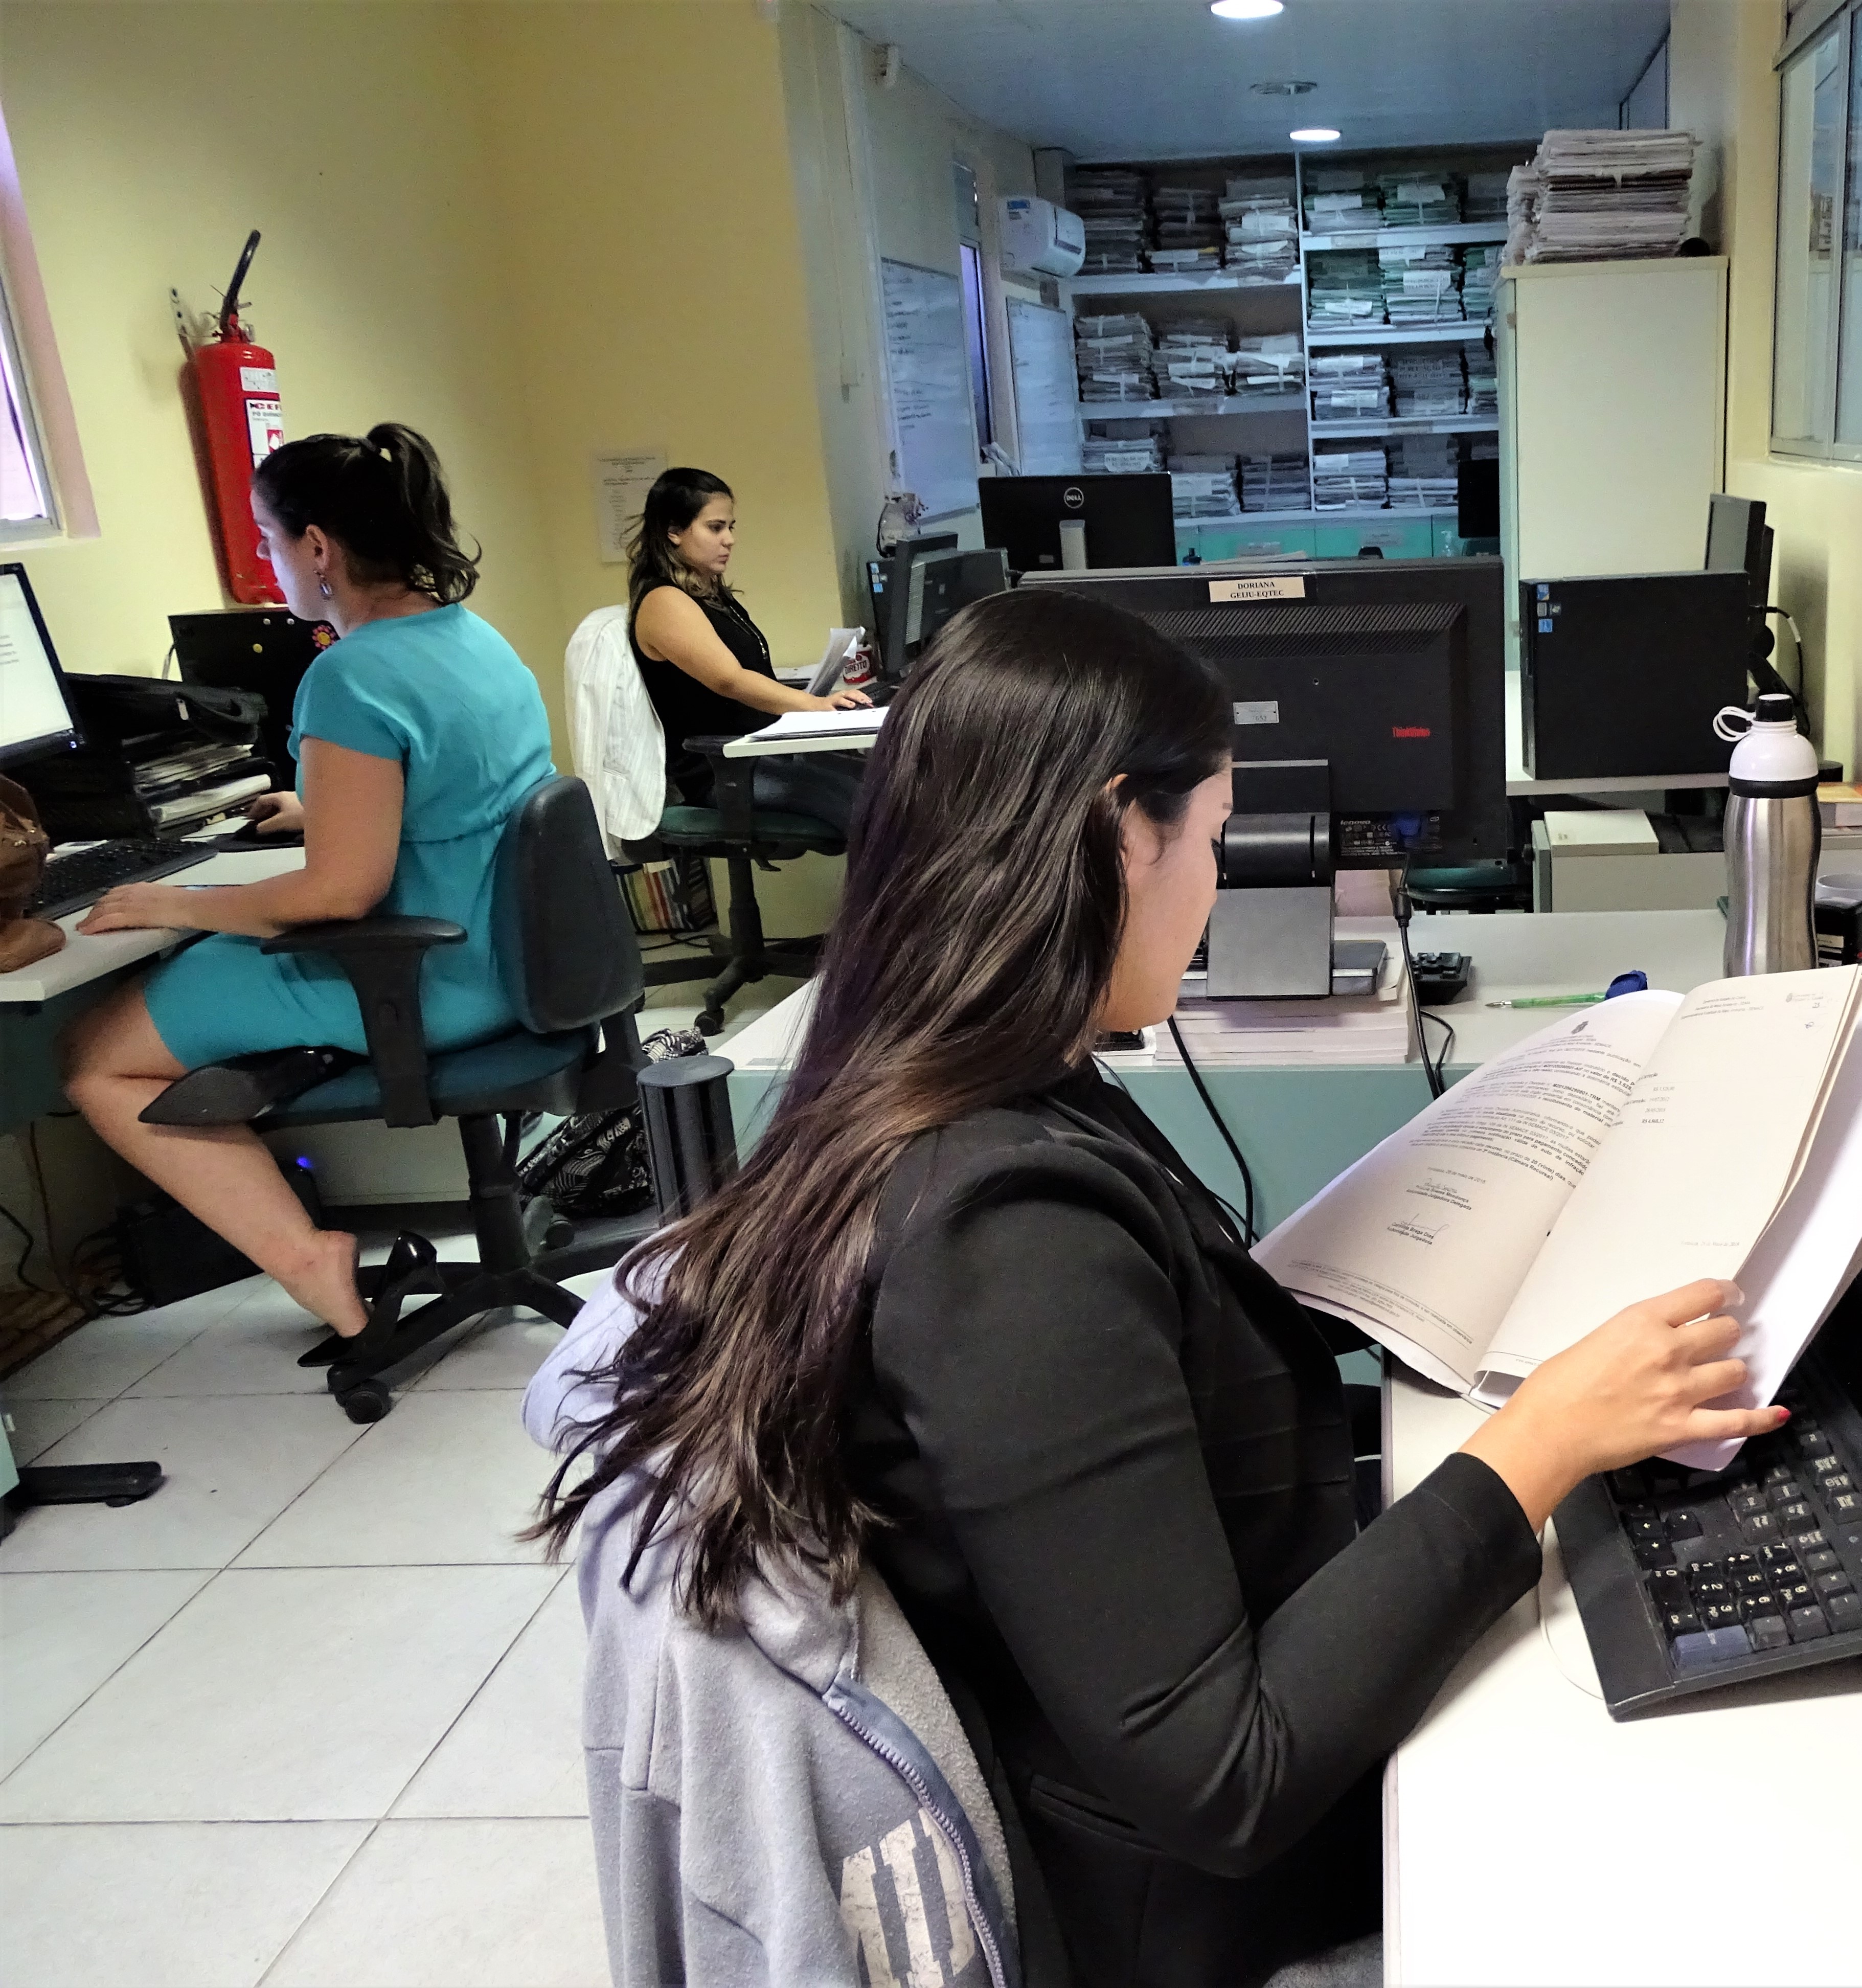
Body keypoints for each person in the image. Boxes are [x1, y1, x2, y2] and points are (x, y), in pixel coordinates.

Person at [535, 590, 1785, 1988]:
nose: (1217, 882)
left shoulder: (961, 1080)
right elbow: (1227, 1779)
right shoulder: (1003, 1226)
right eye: (1210, 839)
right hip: (1187, 1915)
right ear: (1121, 831)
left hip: (1171, 1756)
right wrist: (1542, 1440)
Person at [62, 423, 554, 1342]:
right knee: (198, 966)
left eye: (267, 540)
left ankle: (307, 1260)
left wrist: (178, 900)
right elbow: (461, 794)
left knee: (93, 1052)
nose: (267, 561)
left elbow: (337, 895)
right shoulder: (472, 639)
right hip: (514, 960)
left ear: (318, 547)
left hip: (422, 982)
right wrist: (320, 806)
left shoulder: (349, 673)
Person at [627, 466, 869, 837]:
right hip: (725, 772)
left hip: (761, 752)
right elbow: (728, 680)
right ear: (673, 532)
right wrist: (816, 705)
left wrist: (815, 703)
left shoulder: (711, 595)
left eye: (731, 527)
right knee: (864, 807)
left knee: (883, 783)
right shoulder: (664, 602)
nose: (730, 540)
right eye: (715, 527)